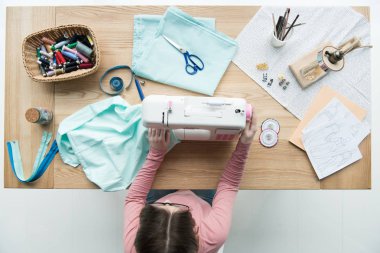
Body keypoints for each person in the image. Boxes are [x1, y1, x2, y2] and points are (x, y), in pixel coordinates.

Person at [124, 106, 257, 253]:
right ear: (195, 231)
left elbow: (134, 199)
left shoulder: (133, 245)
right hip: (201, 202)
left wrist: (156, 153)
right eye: (179, 208)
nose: (168, 201)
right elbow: (229, 184)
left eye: (162, 206)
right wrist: (245, 143)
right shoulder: (214, 234)